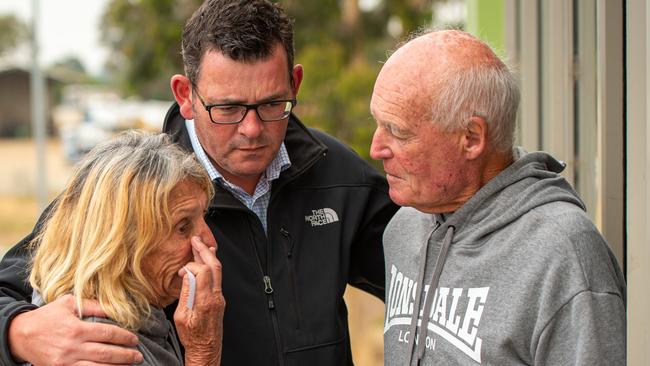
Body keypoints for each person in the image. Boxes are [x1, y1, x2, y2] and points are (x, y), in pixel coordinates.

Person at [0, 0, 398, 365]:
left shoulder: (338, 174)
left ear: (295, 84)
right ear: (185, 94)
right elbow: (13, 286)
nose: (252, 129)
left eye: (272, 104)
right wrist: (17, 330)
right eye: (228, 108)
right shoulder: (135, 188)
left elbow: (428, 271)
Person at [370, 30, 626, 365]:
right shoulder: (404, 226)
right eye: (378, 123)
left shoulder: (563, 255)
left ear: (472, 138)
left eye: (398, 131)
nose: (376, 148)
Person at [26, 130, 224, 365]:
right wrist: (203, 352)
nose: (209, 242)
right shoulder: (96, 347)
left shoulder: (140, 316)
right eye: (183, 227)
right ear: (120, 244)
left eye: (204, 216)